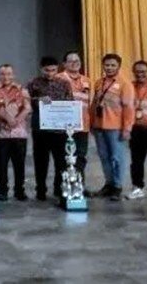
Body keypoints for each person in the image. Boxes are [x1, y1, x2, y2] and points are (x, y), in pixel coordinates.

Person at [27, 56, 73, 201]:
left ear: (58, 69)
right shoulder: (33, 83)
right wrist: (38, 100)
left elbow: (70, 102)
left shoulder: (65, 83)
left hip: (59, 129)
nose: (50, 73)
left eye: (53, 70)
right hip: (40, 129)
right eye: (47, 70)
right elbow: (26, 102)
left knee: (60, 161)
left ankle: (59, 188)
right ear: (41, 69)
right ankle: (40, 190)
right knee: (40, 161)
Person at [91, 53, 135, 201]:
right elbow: (94, 104)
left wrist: (127, 128)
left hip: (116, 127)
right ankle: (108, 184)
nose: (109, 68)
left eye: (113, 65)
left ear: (118, 66)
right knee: (104, 157)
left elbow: (129, 108)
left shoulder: (125, 84)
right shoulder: (99, 82)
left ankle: (117, 186)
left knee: (117, 158)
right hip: (99, 126)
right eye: (107, 65)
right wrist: (92, 123)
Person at [0, 64, 32, 201]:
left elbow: (27, 108)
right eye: (3, 74)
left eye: (8, 74)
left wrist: (16, 120)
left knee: (20, 165)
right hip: (1, 134)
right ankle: (3, 191)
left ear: (13, 75)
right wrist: (8, 119)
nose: (6, 77)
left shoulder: (22, 90)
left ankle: (19, 190)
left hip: (19, 133)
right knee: (1, 165)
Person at [55, 51, 92, 195]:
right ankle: (64, 188)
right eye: (71, 61)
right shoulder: (58, 79)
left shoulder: (87, 80)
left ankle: (79, 186)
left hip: (83, 126)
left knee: (81, 158)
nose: (74, 63)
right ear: (64, 64)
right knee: (64, 158)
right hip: (65, 127)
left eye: (77, 61)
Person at [126, 60, 147, 200]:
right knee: (136, 160)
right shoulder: (129, 87)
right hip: (136, 129)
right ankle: (137, 187)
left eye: (143, 71)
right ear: (133, 73)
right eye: (137, 72)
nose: (140, 74)